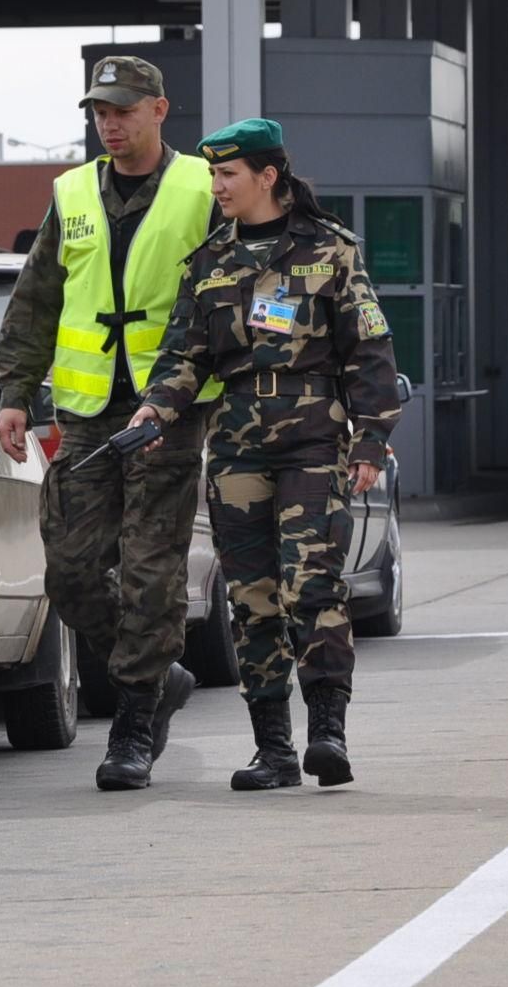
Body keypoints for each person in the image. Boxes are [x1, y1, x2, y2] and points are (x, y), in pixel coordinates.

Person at [128, 118, 400, 791]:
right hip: (237, 446)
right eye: (213, 174)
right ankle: (272, 749)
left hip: (312, 440)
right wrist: (154, 408)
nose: (216, 186)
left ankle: (327, 733)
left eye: (228, 175)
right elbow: (182, 356)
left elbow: (369, 350)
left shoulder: (329, 249)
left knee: (311, 585)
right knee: (251, 600)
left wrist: (370, 437)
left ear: (266, 177)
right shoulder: (211, 262)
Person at [0, 54, 220, 791]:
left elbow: (232, 292)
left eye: (123, 109)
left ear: (159, 109)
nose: (109, 123)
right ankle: (160, 671)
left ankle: (133, 720)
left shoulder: (199, 187)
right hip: (88, 412)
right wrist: (16, 391)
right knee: (70, 568)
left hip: (169, 407)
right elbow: (36, 297)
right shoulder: (72, 193)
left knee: (152, 569)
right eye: (99, 111)